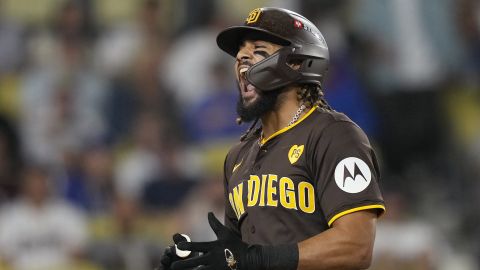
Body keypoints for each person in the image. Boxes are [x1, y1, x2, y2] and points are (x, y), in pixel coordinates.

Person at [158, 7, 385, 270]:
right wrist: (200, 263)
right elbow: (238, 258)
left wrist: (257, 258)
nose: (242, 58)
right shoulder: (238, 155)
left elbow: (357, 247)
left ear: (296, 63)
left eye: (258, 50)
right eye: (240, 52)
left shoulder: (335, 135)